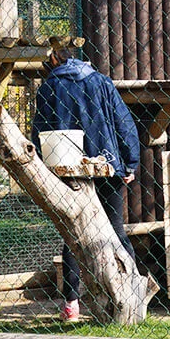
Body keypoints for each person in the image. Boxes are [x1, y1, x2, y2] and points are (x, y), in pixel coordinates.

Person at [32, 47, 141, 322]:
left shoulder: (49, 88)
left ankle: (72, 304)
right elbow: (123, 122)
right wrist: (129, 162)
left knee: (73, 236)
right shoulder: (100, 81)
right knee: (115, 230)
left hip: (67, 168)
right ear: (79, 59)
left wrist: (45, 167)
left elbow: (39, 131)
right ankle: (132, 293)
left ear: (53, 61)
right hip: (105, 164)